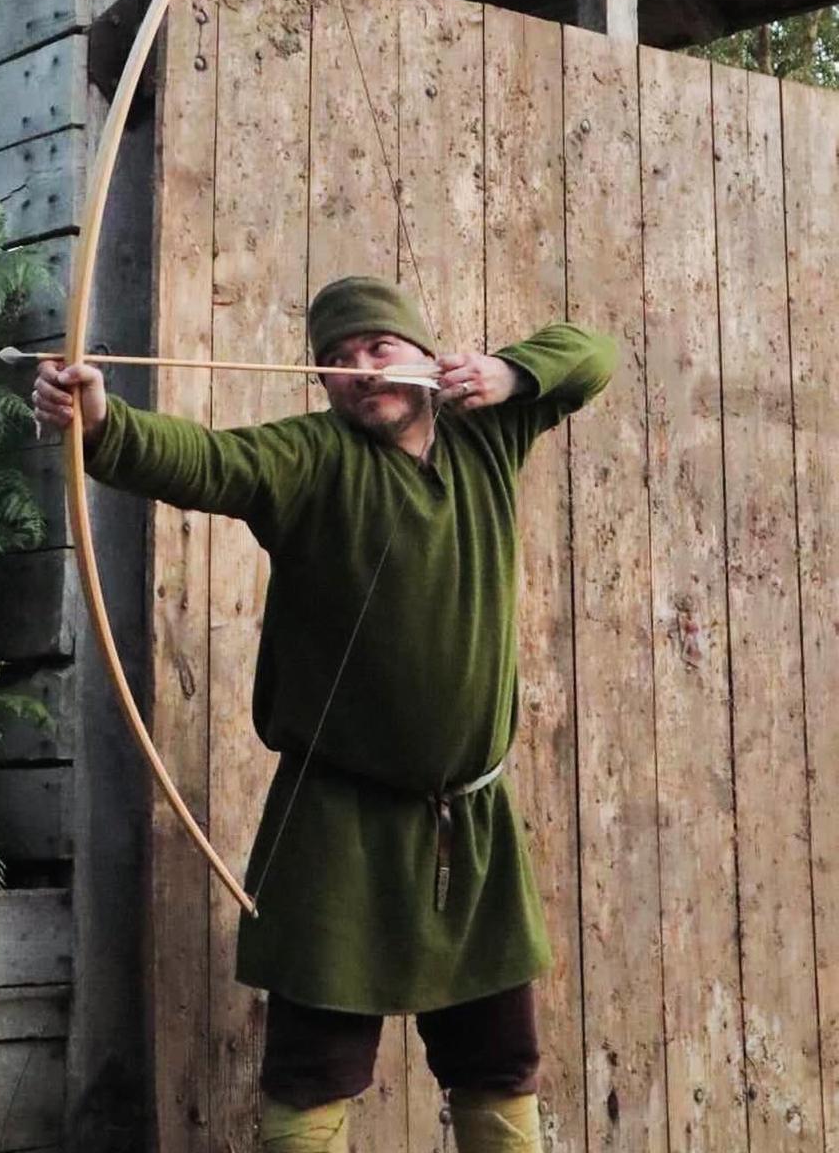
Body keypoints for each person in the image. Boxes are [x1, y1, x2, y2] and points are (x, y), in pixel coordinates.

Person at [33, 276, 616, 1153]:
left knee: (499, 1065)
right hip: (338, 827)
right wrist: (103, 423)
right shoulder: (310, 458)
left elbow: (592, 353)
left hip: (472, 826)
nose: (361, 369)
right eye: (337, 360)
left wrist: (509, 373)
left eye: (380, 347)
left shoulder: (489, 435)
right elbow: (206, 462)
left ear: (427, 355)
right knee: (312, 1073)